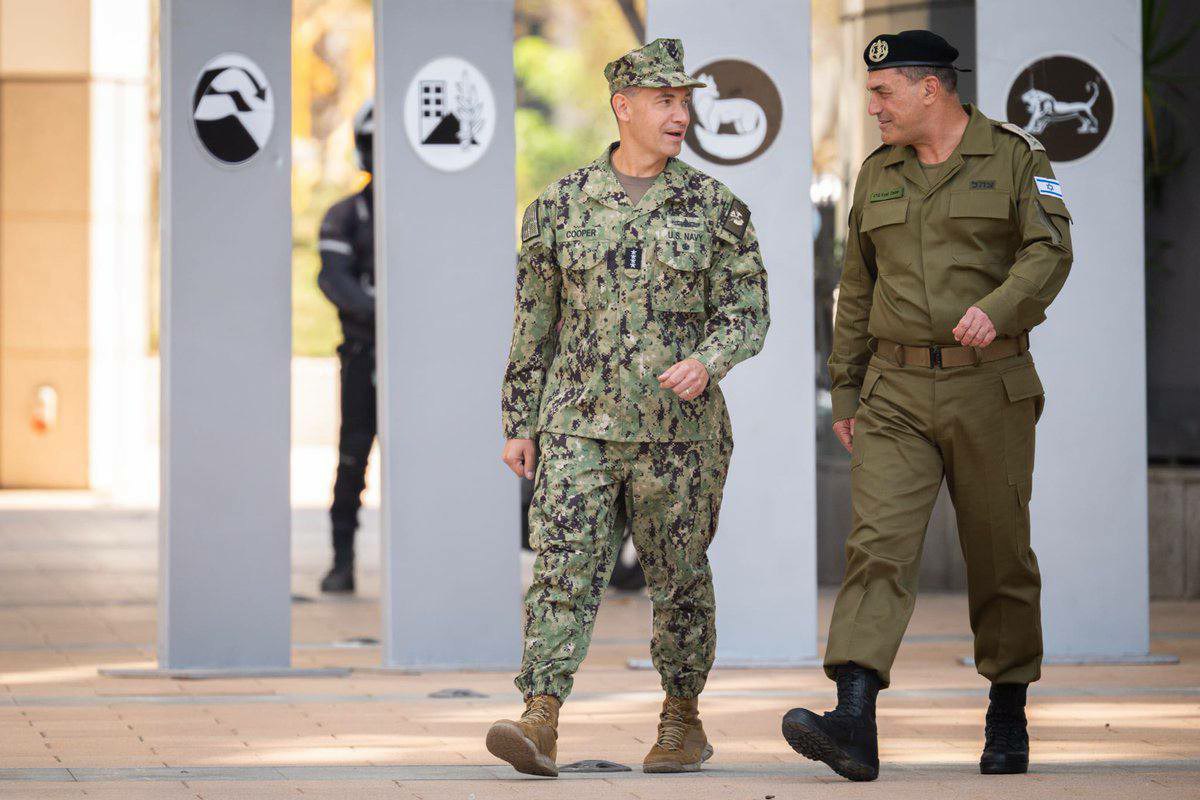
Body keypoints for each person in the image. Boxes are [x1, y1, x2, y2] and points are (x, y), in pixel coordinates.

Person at [781, 30, 1072, 781]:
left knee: (999, 553)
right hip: (895, 391)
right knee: (877, 546)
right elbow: (856, 288)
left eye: (883, 93)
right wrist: (847, 388)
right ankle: (853, 719)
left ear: (930, 89)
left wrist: (999, 309)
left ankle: (1007, 710)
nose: (873, 107)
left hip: (990, 385)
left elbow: (1050, 251)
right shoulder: (877, 172)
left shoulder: (1014, 156)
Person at [486, 38, 770, 778]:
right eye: (665, 101)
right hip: (577, 425)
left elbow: (747, 310)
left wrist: (709, 360)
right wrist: (519, 421)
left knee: (679, 580)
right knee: (561, 571)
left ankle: (682, 719)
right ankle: (540, 715)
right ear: (624, 106)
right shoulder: (558, 206)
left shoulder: (715, 208)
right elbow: (533, 322)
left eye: (685, 103)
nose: (680, 116)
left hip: (679, 436)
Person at [315, 100, 377, 594]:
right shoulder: (346, 215)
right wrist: (387, 315)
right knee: (352, 458)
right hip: (364, 358)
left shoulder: (432, 219)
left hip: (421, 366)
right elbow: (335, 281)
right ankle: (342, 559)